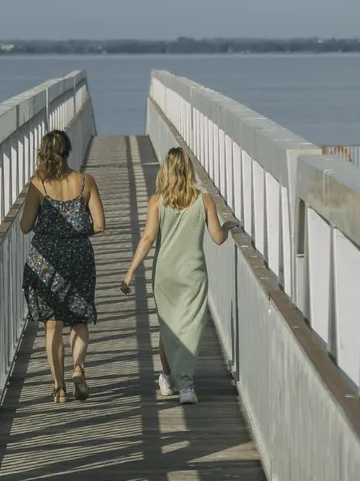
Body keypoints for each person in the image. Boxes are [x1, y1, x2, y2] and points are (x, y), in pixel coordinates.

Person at [119, 147, 234, 404]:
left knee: (168, 328)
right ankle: (186, 386)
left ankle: (168, 377)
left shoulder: (156, 202)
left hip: (165, 275)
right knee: (189, 327)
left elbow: (148, 238)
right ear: (188, 169)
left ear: (166, 170)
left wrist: (130, 273)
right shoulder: (204, 200)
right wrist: (227, 226)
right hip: (193, 275)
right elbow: (217, 238)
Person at [20, 129, 105, 403]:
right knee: (79, 317)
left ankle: (58, 388)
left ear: (43, 153)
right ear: (68, 151)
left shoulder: (38, 185)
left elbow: (25, 226)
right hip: (78, 255)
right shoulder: (85, 181)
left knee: (52, 324)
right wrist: (75, 234)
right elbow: (100, 224)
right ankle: (78, 367)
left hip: (45, 260)